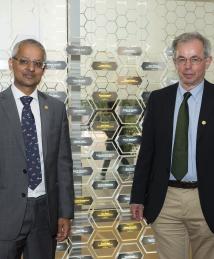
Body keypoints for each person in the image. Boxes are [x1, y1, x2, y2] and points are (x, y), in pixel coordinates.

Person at [130, 32, 214, 259]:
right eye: (181, 59)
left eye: (195, 59)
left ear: (207, 61)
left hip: (206, 200)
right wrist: (137, 196)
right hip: (165, 199)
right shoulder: (158, 99)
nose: (187, 66)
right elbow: (147, 152)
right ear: (175, 61)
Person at [0, 39, 74, 259]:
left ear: (44, 69)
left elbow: (63, 164)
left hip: (45, 213)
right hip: (5, 213)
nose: (30, 68)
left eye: (37, 63)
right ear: (11, 63)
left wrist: (65, 212)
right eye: (24, 61)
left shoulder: (56, 109)